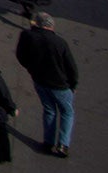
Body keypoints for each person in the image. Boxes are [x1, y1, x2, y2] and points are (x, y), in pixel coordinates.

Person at [15, 12, 77, 157]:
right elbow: (71, 68)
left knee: (49, 110)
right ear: (50, 25)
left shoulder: (27, 36)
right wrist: (73, 85)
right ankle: (63, 145)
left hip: (39, 80)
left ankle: (48, 142)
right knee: (67, 112)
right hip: (60, 85)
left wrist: (30, 68)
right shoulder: (60, 43)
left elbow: (21, 56)